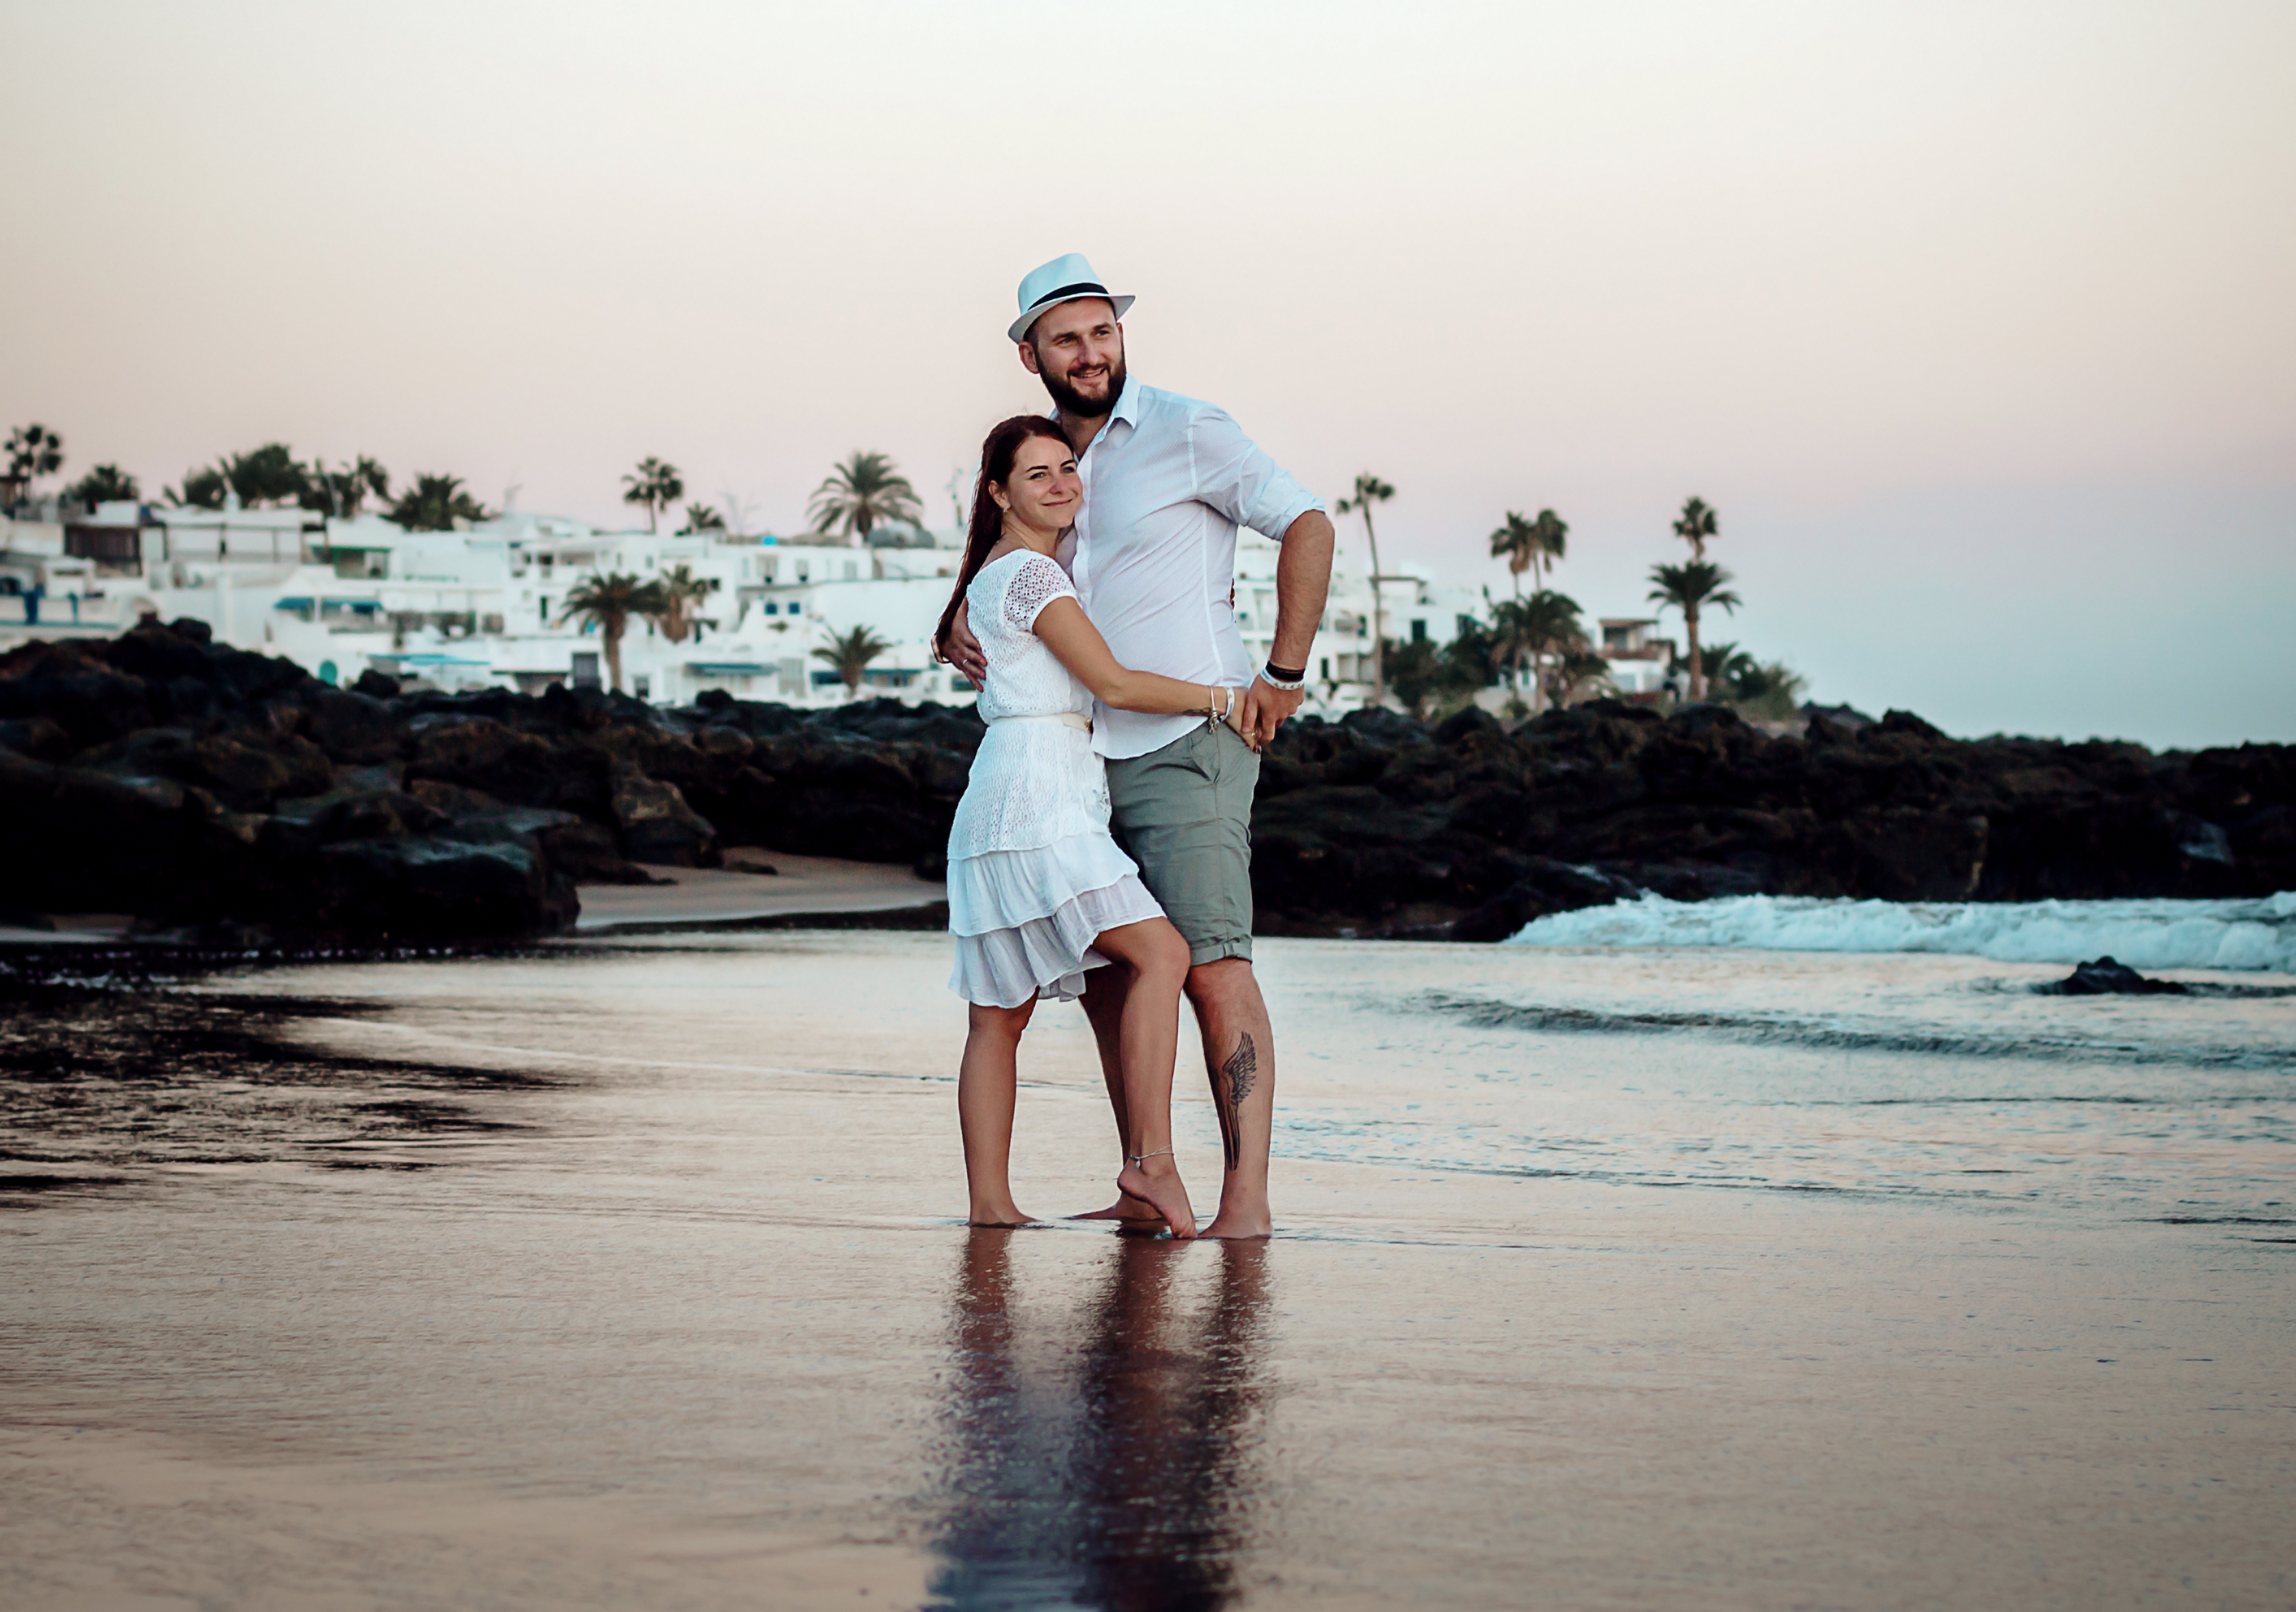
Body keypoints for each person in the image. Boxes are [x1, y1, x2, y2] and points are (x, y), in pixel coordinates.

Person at [943, 255, 1335, 1240]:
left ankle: (1243, 1197)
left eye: (1103, 332)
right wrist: (951, 623)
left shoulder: (1187, 430)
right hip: (1078, 763)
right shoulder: (1051, 469)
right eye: (1067, 338)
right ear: (1031, 353)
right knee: (1113, 976)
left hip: (1184, 744)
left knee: (1210, 963)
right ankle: (1143, 1174)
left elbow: (1309, 523)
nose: (1090, 353)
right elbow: (1016, 584)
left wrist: (1281, 676)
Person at [941, 414, 1257, 1237]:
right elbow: (1112, 684)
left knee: (997, 1014)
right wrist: (1223, 698)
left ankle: (992, 1206)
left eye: (1067, 467)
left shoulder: (991, 576)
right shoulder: (1036, 580)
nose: (1059, 483)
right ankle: (1150, 1160)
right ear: (999, 492)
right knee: (1163, 953)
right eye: (1037, 473)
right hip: (1041, 795)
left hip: (1003, 795)